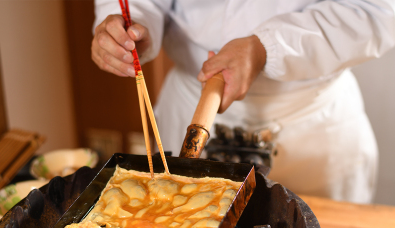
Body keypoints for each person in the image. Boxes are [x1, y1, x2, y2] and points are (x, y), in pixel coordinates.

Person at [91, 0, 395, 204]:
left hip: (311, 121)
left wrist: (267, 47)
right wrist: (132, 25)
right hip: (189, 97)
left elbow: (377, 11)